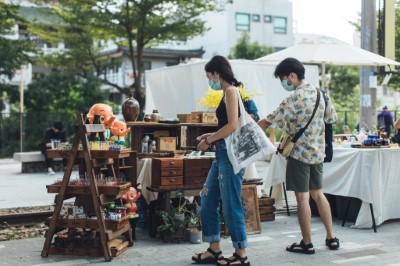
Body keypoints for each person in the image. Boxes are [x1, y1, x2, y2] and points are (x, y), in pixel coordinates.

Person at [257, 58, 339, 254]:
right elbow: (332, 119)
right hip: (317, 153)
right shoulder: (321, 94)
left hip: (299, 155)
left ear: (292, 76)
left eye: (283, 79)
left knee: (302, 198)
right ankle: (331, 238)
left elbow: (266, 122)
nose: (283, 83)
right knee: (318, 194)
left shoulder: (292, 100)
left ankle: (307, 242)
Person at [192, 55, 250, 266]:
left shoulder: (231, 91)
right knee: (207, 199)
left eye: (209, 77)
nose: (210, 82)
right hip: (222, 154)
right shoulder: (227, 93)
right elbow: (227, 126)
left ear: (217, 73)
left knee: (230, 204)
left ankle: (241, 253)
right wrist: (209, 137)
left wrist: (208, 140)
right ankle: (214, 248)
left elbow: (233, 126)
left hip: (231, 157)